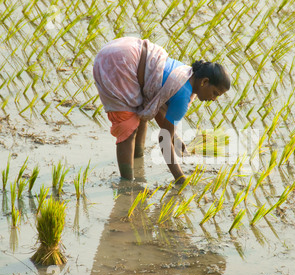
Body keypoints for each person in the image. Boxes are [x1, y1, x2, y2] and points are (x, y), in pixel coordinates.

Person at [93, 37, 230, 183]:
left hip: (123, 49)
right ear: (204, 82)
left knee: (141, 118)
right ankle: (127, 183)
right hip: (121, 63)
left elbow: (157, 107)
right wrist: (180, 177)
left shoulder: (185, 74)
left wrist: (175, 138)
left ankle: (137, 159)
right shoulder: (183, 96)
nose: (214, 99)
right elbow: (163, 139)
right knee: (128, 127)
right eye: (215, 93)